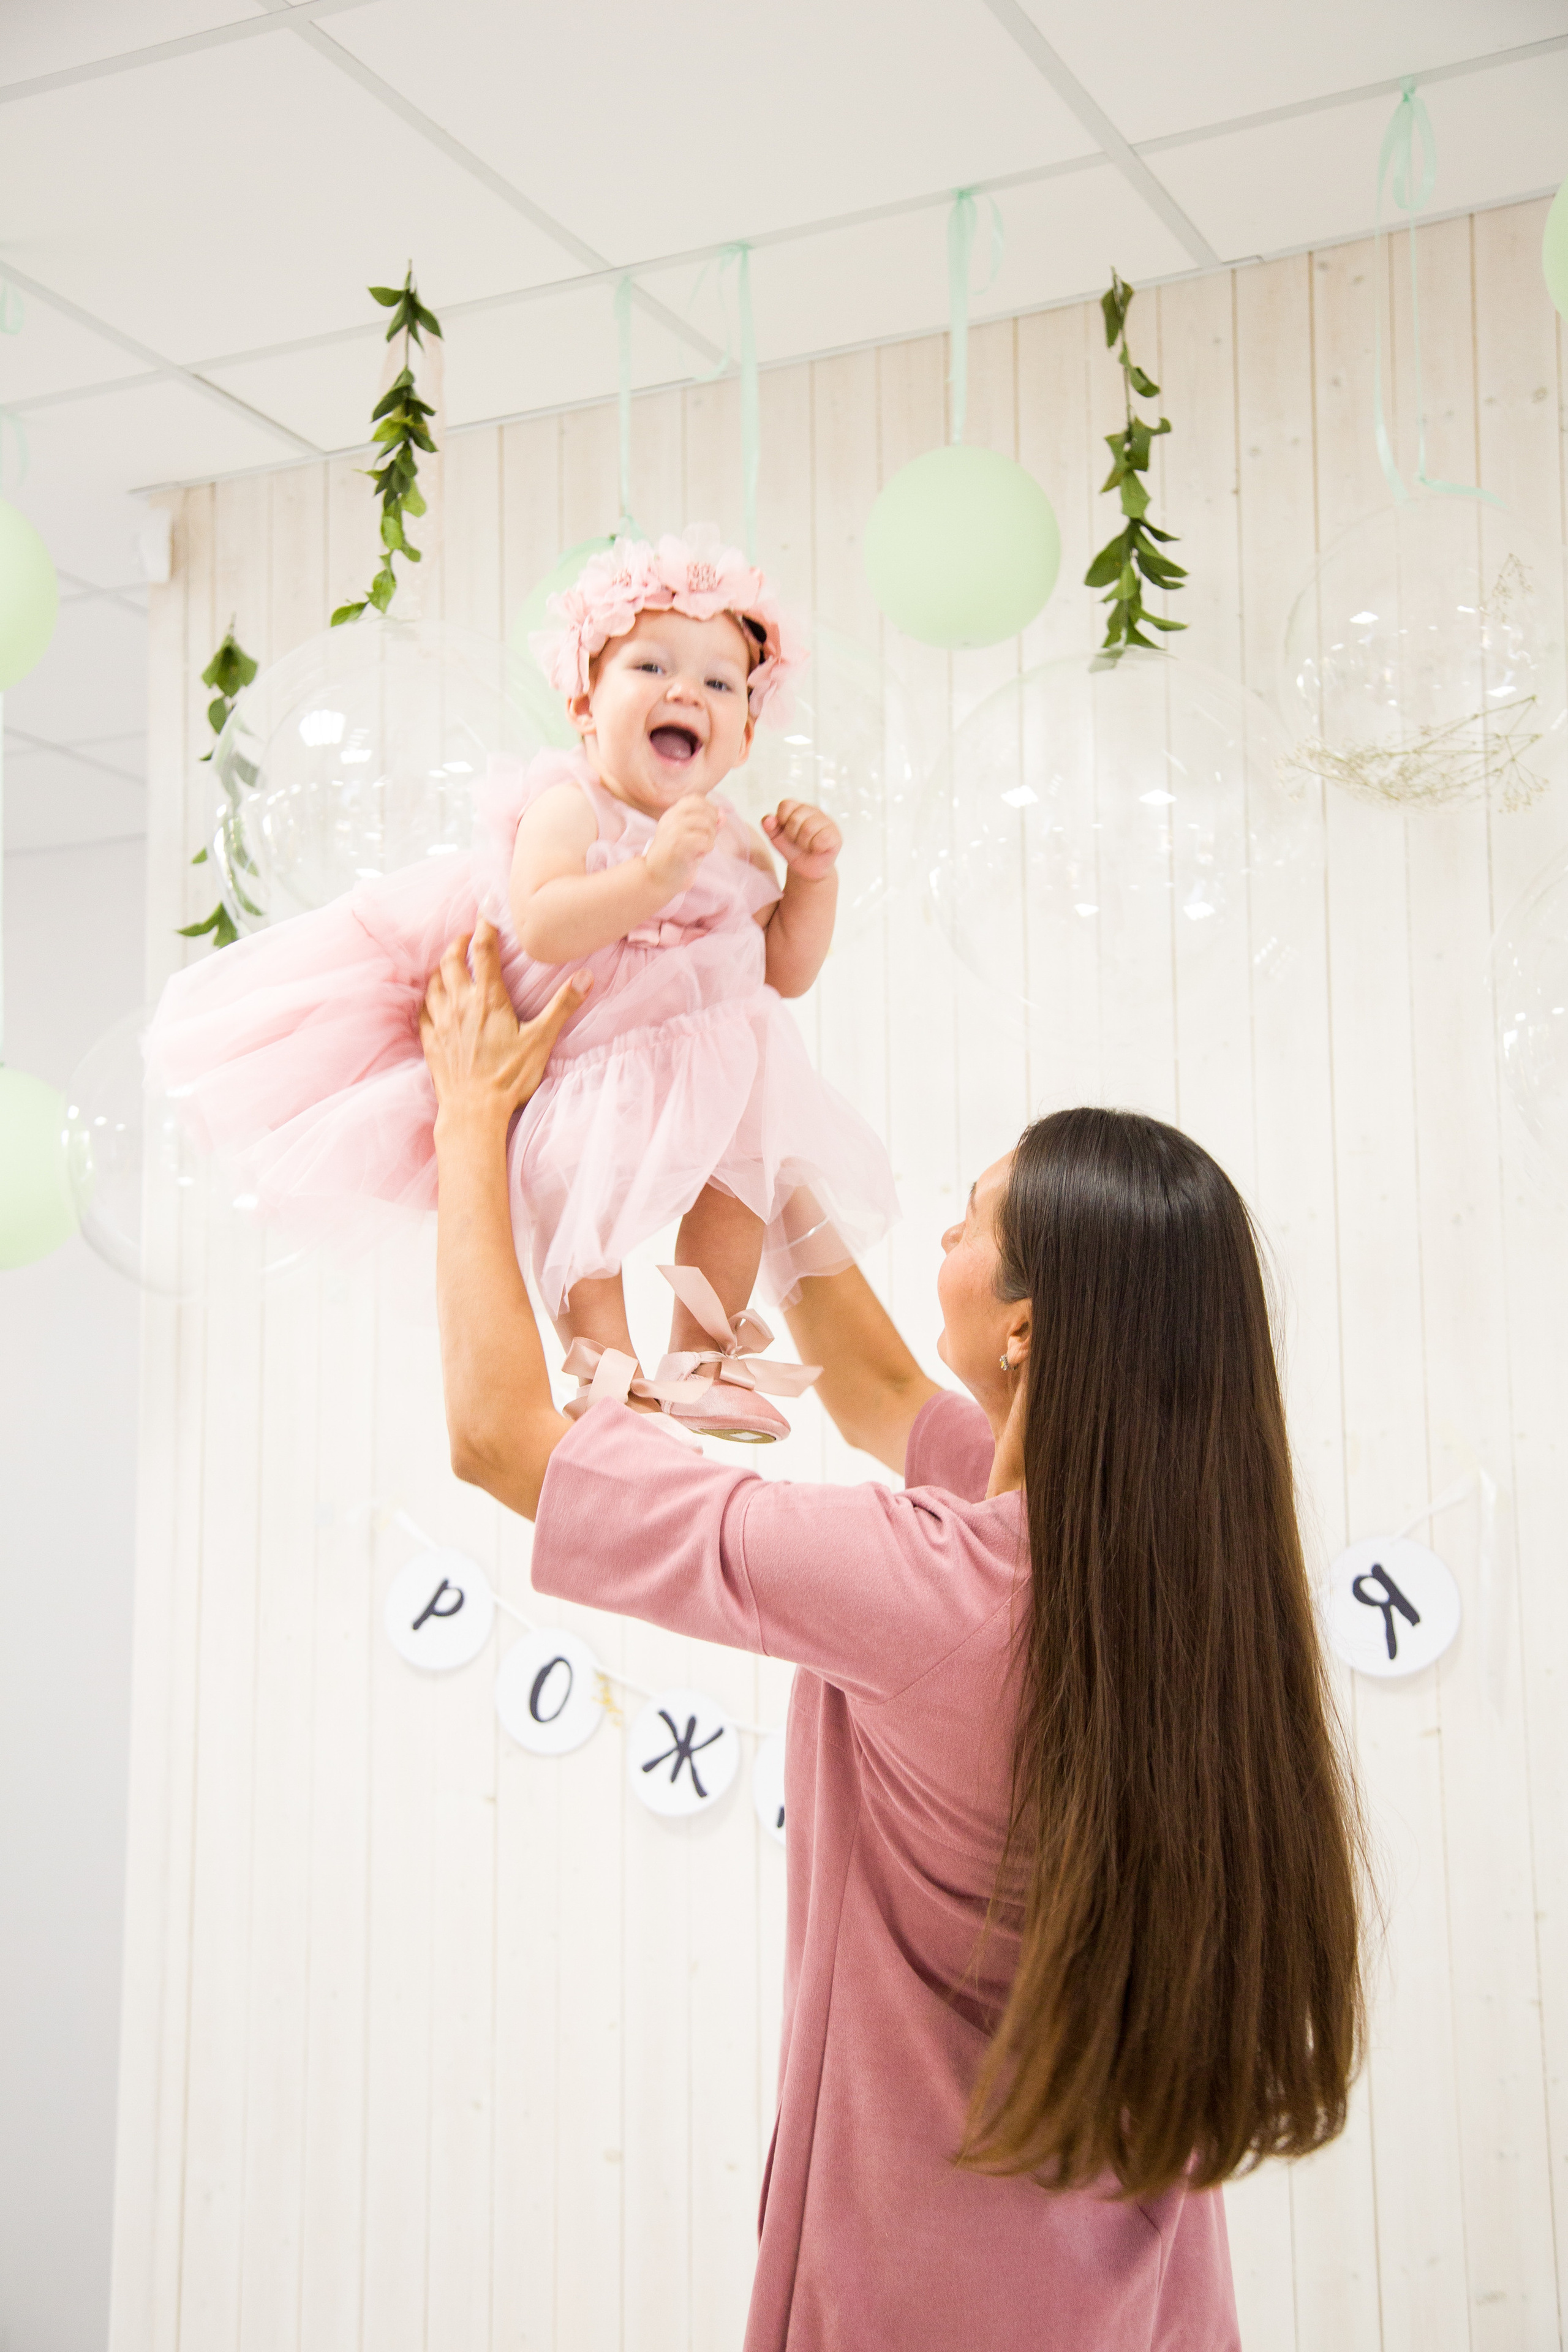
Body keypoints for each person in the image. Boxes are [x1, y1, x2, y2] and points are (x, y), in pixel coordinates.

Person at [420, 922, 1369, 2352]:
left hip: (921, 2300)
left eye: (969, 1222)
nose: (938, 1235)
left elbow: (500, 1441)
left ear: (1028, 1330)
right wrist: (745, 1099)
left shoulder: (926, 1587)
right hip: (1139, 2304)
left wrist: (470, 1119)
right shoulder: (1169, 1584)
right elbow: (868, 1382)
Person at [145, 526, 898, 1442]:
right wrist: (650, 880)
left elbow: (785, 970)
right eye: (651, 666)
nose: (683, 692)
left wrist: (811, 883)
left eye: (718, 683)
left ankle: (705, 1359)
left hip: (719, 1061)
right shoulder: (566, 804)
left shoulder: (734, 834)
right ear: (585, 705)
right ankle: (604, 1377)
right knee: (585, 1215)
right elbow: (542, 918)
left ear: (742, 735)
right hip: (590, 1063)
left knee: (738, 1188)